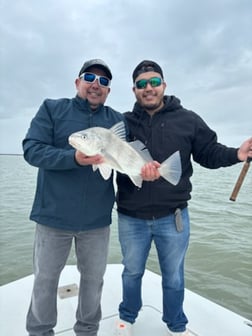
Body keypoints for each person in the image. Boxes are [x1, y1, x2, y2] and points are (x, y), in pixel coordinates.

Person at [114, 60, 252, 336]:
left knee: (174, 277)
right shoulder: (123, 123)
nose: (148, 88)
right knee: (131, 272)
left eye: (154, 82)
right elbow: (106, 152)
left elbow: (209, 153)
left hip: (173, 217)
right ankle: (126, 317)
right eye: (142, 84)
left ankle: (176, 325)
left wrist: (236, 154)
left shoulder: (188, 119)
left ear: (164, 85)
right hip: (131, 217)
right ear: (134, 90)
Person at [23, 59, 124, 336]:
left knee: (93, 281)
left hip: (96, 221)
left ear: (108, 91)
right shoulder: (52, 109)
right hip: (52, 216)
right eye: (90, 77)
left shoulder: (117, 120)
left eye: (103, 81)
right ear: (77, 82)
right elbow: (32, 149)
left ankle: (87, 331)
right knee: (45, 280)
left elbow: (128, 160)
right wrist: (74, 158)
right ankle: (41, 332)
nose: (96, 84)